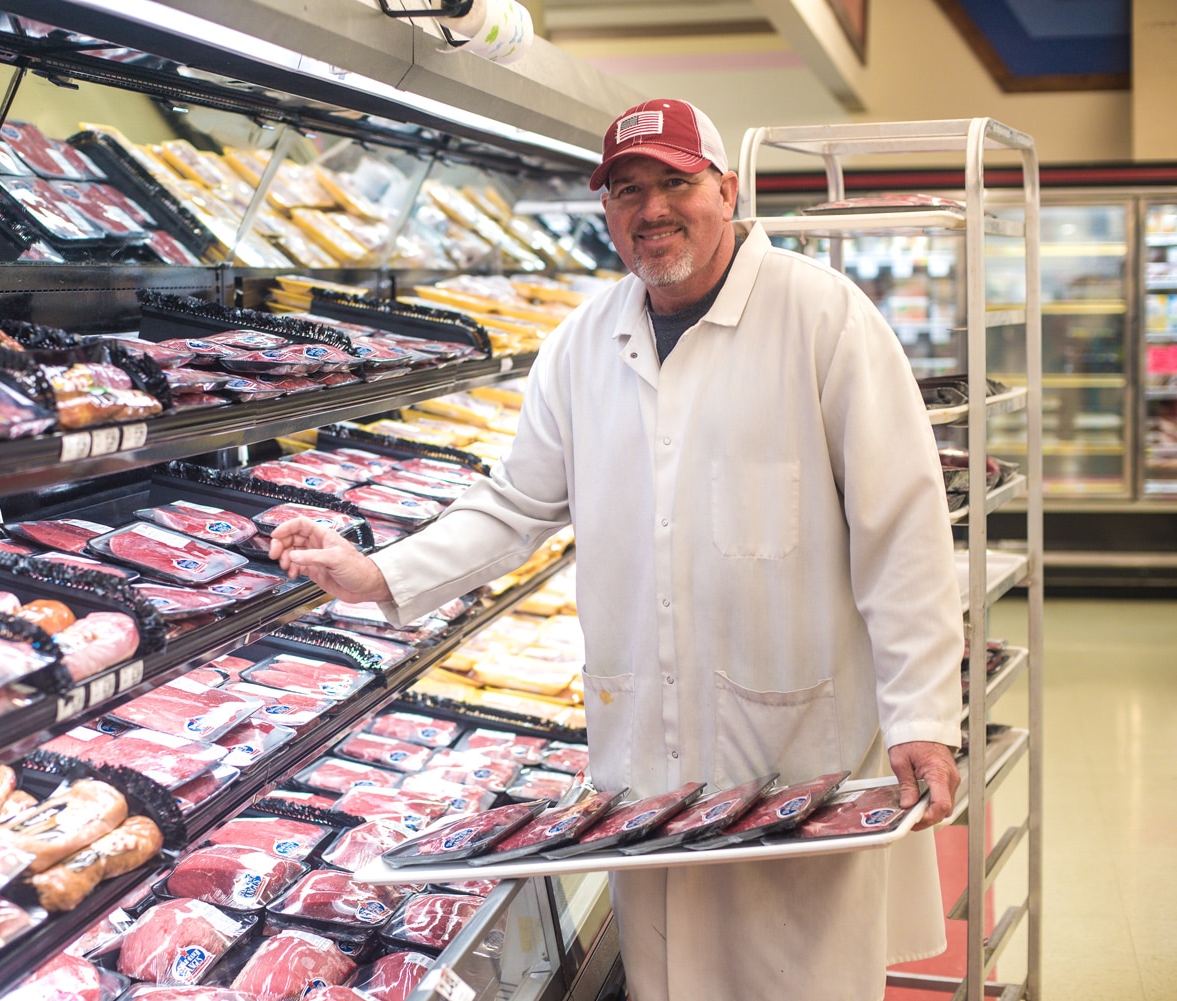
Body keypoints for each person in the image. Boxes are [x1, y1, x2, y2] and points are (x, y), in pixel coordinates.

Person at [270, 98, 963, 1001]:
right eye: (628, 190)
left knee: (802, 976)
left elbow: (900, 526)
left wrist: (922, 714)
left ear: (727, 188)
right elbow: (517, 502)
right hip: (648, 761)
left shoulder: (822, 316)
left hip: (797, 746)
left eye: (677, 182)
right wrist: (378, 572)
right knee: (670, 977)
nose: (652, 209)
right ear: (606, 210)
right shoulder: (582, 343)